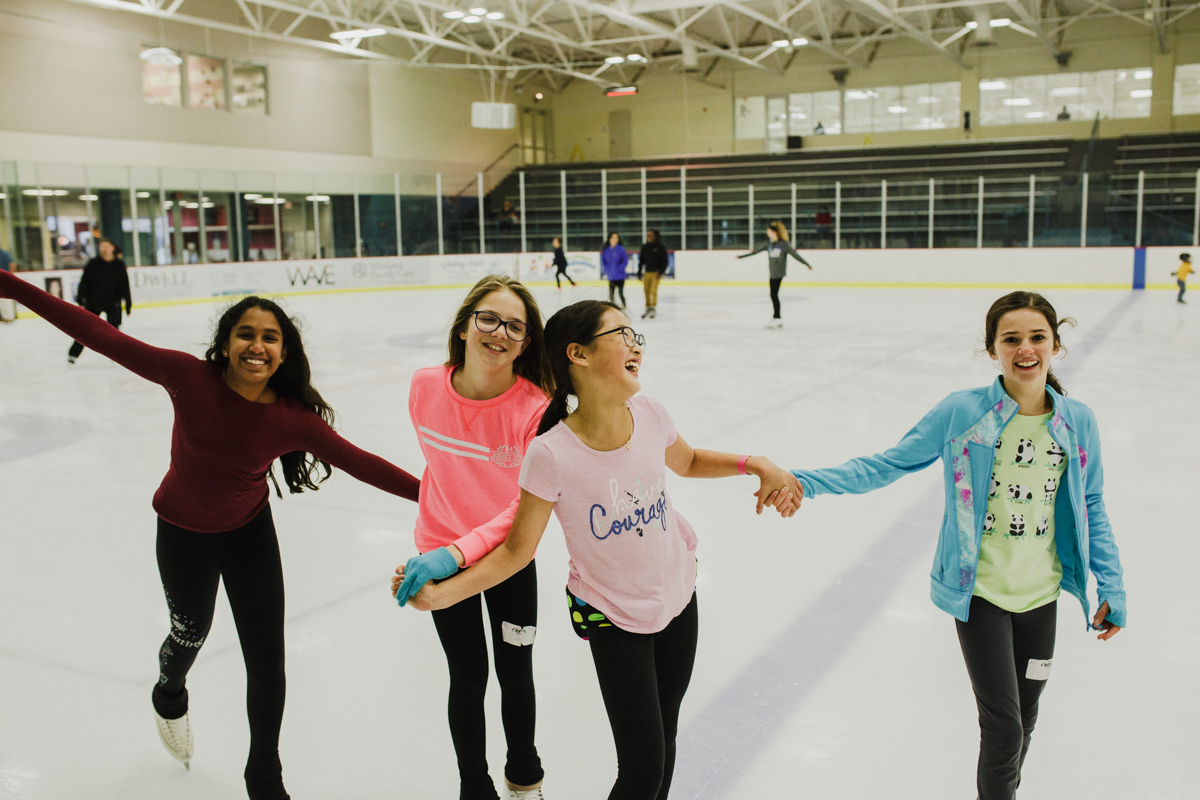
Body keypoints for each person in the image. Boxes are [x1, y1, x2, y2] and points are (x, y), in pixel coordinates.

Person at [0, 269, 421, 800]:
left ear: (284, 354)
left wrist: (436, 498)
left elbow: (362, 463)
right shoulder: (187, 377)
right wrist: (13, 289)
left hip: (249, 533)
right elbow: (100, 335)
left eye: (271, 338)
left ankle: (264, 777)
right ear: (225, 343)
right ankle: (169, 693)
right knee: (188, 636)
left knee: (268, 657)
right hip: (181, 534)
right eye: (246, 333)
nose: (257, 345)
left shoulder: (293, 419)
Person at [394, 299, 803, 800]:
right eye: (621, 334)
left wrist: (753, 462)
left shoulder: (650, 413)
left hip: (677, 595)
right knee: (642, 769)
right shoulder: (551, 453)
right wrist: (444, 592)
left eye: (637, 336)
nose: (636, 344)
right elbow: (515, 553)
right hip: (611, 614)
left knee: (666, 737)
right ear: (578, 354)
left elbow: (690, 460)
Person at [788, 291, 1125, 800]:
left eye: (1037, 337)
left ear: (1056, 344)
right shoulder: (964, 413)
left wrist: (1112, 586)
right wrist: (802, 481)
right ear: (992, 350)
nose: (1025, 348)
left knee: (1025, 720)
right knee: (1005, 728)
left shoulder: (1078, 421)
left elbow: (1092, 503)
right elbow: (888, 463)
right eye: (1010, 339)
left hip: (1042, 595)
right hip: (980, 596)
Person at [393, 275, 553, 800]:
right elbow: (440, 468)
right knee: (467, 674)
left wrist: (457, 552)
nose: (499, 332)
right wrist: (436, 544)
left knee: (515, 667)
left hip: (508, 557)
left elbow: (522, 508)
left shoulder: (536, 408)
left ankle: (523, 774)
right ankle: (473, 787)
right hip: (441, 549)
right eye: (488, 318)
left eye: (515, 326)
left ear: (527, 343)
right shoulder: (423, 386)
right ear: (465, 325)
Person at [737, 221, 812, 329]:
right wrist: (741, 257)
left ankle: (777, 317)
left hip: (779, 273)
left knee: (773, 295)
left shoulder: (783, 244)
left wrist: (807, 264)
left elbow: (795, 255)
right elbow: (755, 251)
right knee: (773, 295)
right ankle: (776, 317)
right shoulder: (769, 244)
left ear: (775, 232)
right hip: (772, 273)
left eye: (769, 232)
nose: (768, 234)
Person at [68, 238, 132, 364]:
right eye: (101, 246)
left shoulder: (119, 265)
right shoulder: (93, 264)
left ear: (112, 248)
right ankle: (73, 355)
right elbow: (84, 283)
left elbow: (125, 286)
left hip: (113, 304)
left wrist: (128, 304)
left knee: (114, 332)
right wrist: (81, 302)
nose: (103, 249)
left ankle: (115, 355)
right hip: (93, 303)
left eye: (106, 246)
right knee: (85, 330)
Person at [637, 230, 668, 320]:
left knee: (653, 291)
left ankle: (653, 307)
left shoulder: (660, 247)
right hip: (647, 272)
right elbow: (641, 260)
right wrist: (639, 272)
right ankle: (647, 307)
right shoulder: (645, 247)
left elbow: (665, 261)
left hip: (656, 272)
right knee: (646, 290)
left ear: (656, 236)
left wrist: (660, 272)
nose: (649, 237)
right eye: (648, 235)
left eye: (651, 235)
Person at [600, 233, 628, 309]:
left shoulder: (621, 249)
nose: (615, 239)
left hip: (620, 276)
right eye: (613, 237)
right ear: (610, 239)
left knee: (620, 293)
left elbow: (625, 261)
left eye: (616, 238)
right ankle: (612, 307)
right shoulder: (606, 250)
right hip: (611, 276)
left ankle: (624, 307)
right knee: (611, 294)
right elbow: (603, 261)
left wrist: (619, 269)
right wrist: (607, 270)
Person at [0, 246, 14, 323]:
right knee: (1, 298)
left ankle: (9, 316)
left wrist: (10, 276)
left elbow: (12, 264)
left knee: (6, 298)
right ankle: (5, 316)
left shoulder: (4, 254)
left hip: (4, 279)